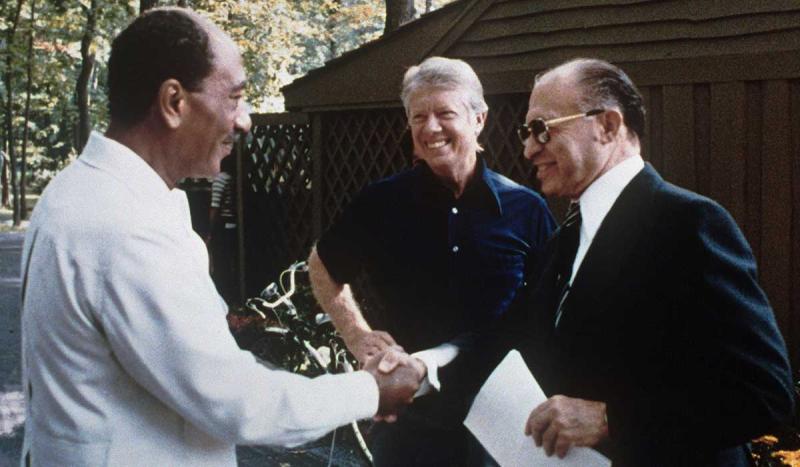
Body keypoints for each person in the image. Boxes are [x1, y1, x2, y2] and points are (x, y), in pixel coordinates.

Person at [19, 8, 420, 466]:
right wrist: (369, 391)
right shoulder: (126, 225)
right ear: (174, 102)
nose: (245, 120)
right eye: (234, 98)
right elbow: (235, 403)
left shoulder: (80, 190)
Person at [441, 57, 795, 466]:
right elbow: (504, 339)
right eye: (526, 132)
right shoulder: (562, 244)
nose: (528, 148)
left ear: (607, 126)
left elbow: (763, 393)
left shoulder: (688, 223)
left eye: (542, 129)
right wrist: (419, 368)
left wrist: (611, 418)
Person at [308, 56, 555, 466]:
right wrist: (356, 335)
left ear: (479, 119)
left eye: (445, 113)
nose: (430, 128)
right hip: (410, 421)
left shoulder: (525, 209)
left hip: (502, 419)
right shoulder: (381, 203)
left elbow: (548, 311)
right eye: (418, 116)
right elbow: (323, 263)